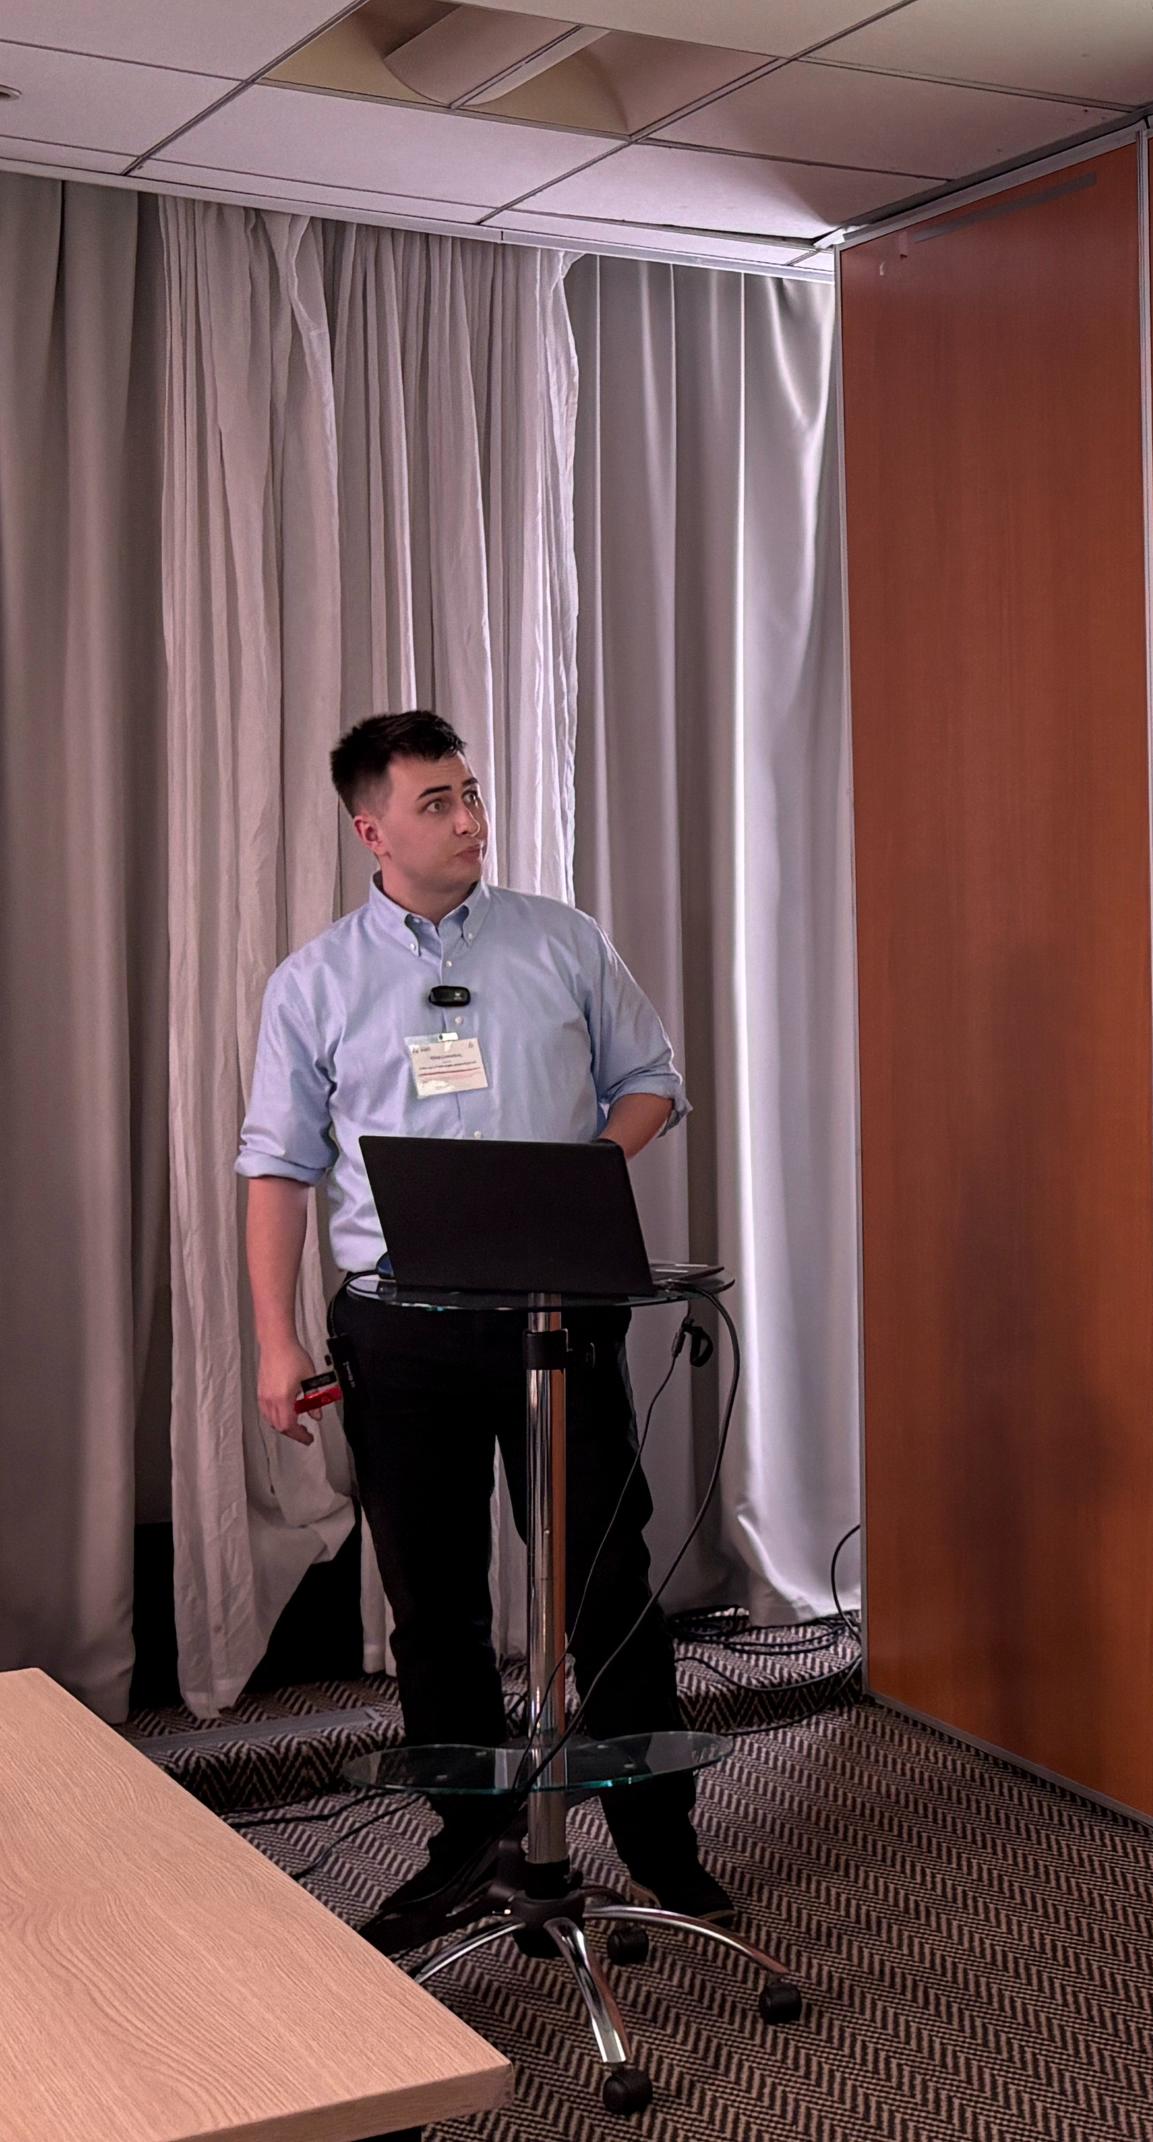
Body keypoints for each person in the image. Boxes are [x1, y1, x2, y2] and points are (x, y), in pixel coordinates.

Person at [236, 709, 728, 1953]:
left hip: (558, 1313)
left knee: (605, 1580)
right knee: (435, 1601)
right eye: (438, 803)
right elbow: (278, 1168)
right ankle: (473, 1844)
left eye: (471, 794)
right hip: (399, 1331)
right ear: (373, 831)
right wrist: (275, 1343)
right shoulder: (315, 983)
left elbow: (653, 1081)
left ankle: (661, 1846)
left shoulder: (562, 941)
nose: (470, 820)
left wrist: (577, 1179)